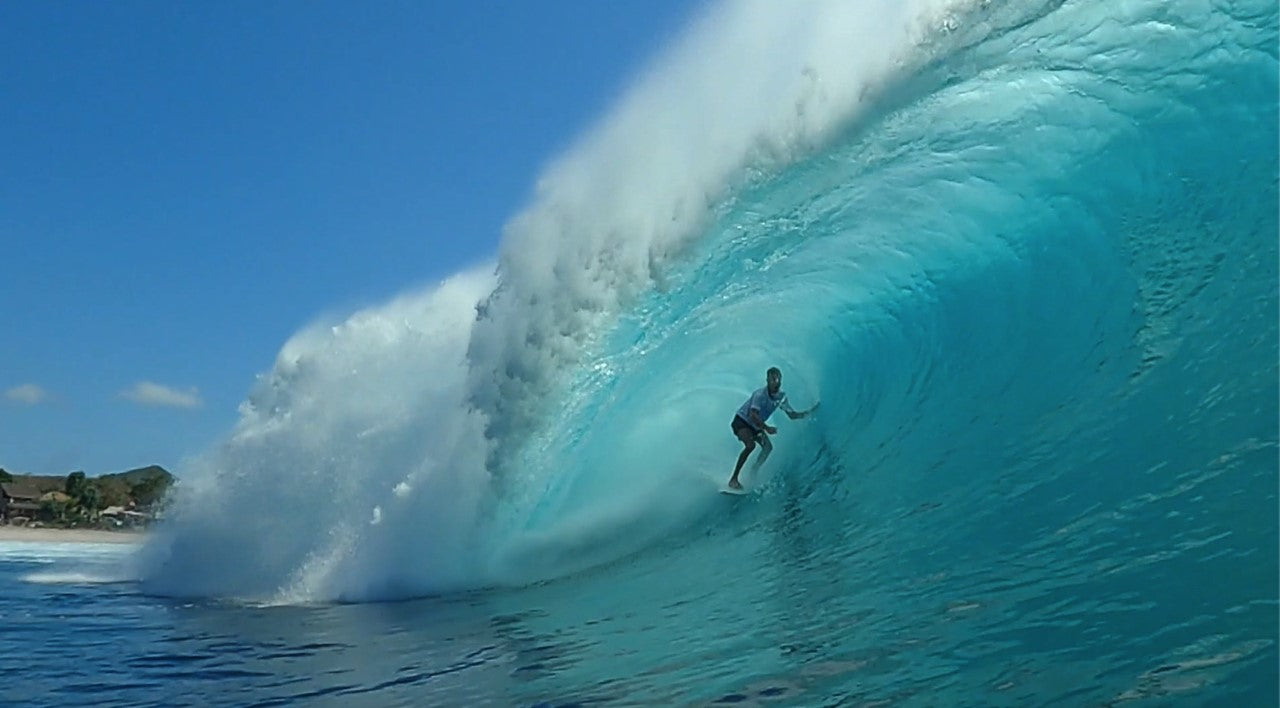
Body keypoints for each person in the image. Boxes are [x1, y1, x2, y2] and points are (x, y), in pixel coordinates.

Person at [727, 367, 818, 490]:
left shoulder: (781, 397)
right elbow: (752, 415)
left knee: (768, 448)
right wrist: (767, 428)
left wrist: (809, 412)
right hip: (742, 421)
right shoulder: (759, 395)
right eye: (772, 380)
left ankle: (754, 470)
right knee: (750, 445)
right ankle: (733, 479)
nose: (775, 382)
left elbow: (791, 415)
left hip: (755, 426)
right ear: (767, 380)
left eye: (777, 379)